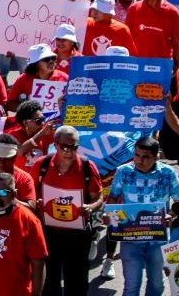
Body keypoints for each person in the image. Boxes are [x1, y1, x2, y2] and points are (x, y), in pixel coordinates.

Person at [106, 137, 179, 292]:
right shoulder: (123, 172)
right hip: (130, 238)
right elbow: (113, 198)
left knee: (156, 284)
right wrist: (110, 214)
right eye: (136, 155)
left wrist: (171, 215)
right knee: (131, 287)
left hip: (158, 241)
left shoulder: (167, 173)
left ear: (157, 156)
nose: (139, 160)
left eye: (145, 157)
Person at [33, 125, 104, 296]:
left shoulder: (87, 167)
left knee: (77, 281)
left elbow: (99, 198)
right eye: (65, 146)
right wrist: (37, 202)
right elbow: (31, 196)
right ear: (55, 144)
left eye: (74, 147)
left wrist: (90, 207)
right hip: (49, 232)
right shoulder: (41, 165)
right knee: (50, 281)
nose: (70, 151)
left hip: (78, 234)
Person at [126, 0, 179, 67]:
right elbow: (126, 37)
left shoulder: (173, 12)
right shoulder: (133, 9)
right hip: (136, 64)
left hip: (162, 66)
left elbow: (178, 43)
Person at [7, 44, 69, 112]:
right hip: (34, 121)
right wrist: (27, 110)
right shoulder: (23, 78)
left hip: (58, 121)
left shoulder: (64, 78)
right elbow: (10, 103)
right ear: (36, 63)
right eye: (46, 59)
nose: (51, 62)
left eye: (53, 58)